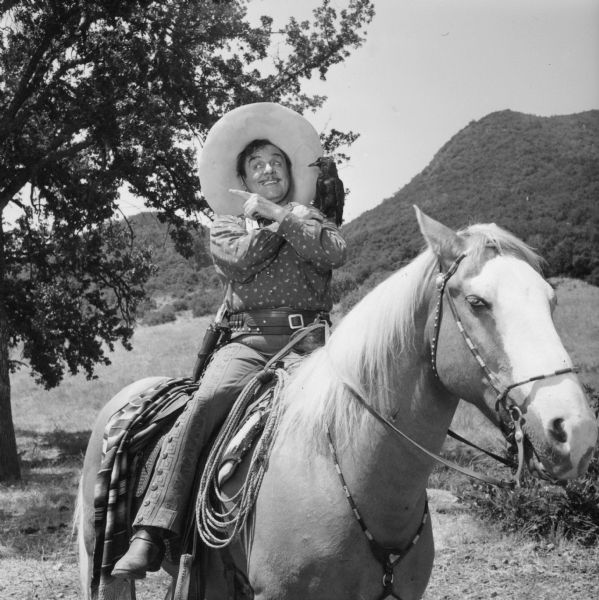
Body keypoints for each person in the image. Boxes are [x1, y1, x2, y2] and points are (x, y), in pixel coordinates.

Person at [112, 102, 347, 579]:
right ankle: (152, 530)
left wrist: (282, 217)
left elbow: (334, 252)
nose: (267, 171)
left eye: (276, 163)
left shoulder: (313, 217)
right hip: (249, 340)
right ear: (242, 179)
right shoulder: (226, 223)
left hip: (312, 342)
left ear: (289, 172)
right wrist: (270, 220)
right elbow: (237, 261)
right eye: (257, 166)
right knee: (207, 402)